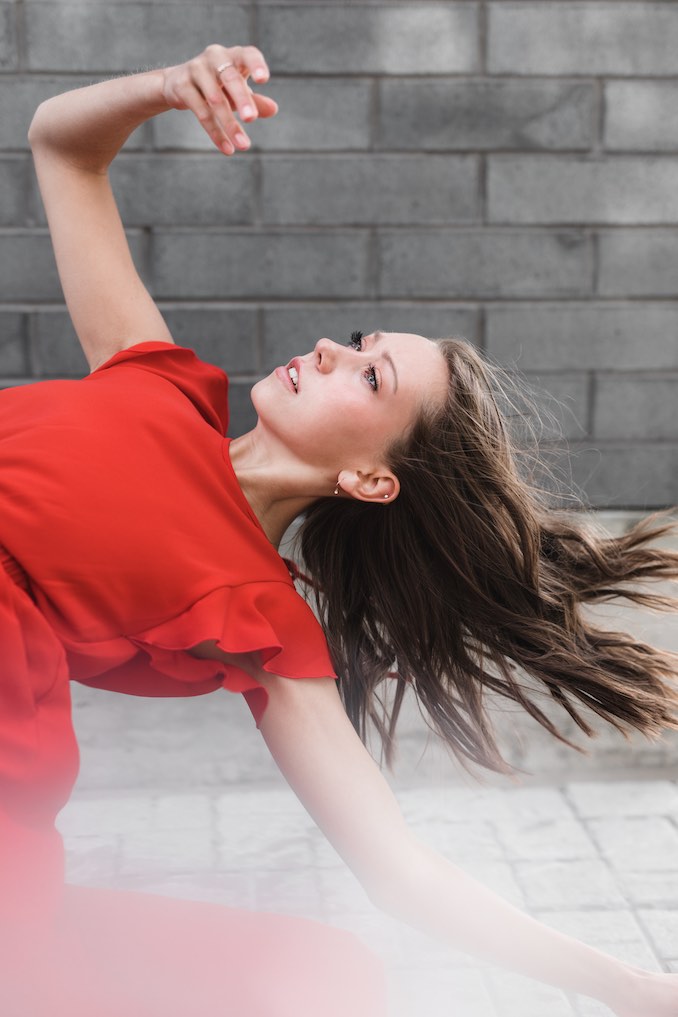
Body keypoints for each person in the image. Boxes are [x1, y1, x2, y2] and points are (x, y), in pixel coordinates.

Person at [2, 40, 678, 1016]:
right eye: (359, 343)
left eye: (370, 376)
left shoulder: (263, 628)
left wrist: (631, 987)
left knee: (318, 975)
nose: (330, 348)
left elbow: (400, 871)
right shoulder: (152, 379)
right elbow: (60, 147)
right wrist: (164, 89)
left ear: (369, 477)